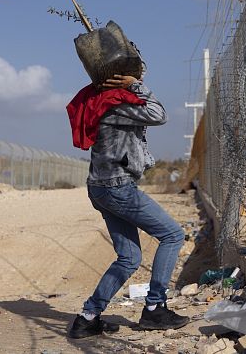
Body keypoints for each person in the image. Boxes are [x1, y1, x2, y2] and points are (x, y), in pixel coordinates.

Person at [65, 73, 189, 339]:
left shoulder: (98, 102)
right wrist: (135, 85)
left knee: (129, 258)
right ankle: (155, 307)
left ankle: (87, 318)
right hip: (118, 187)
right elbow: (158, 114)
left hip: (100, 187)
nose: (141, 75)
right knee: (173, 235)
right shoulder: (116, 107)